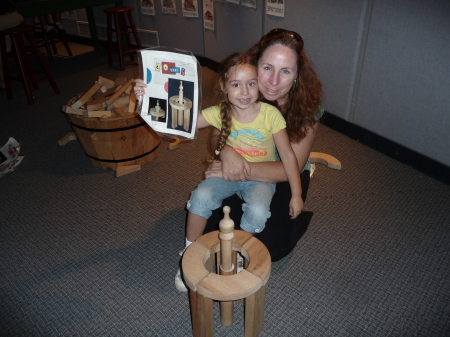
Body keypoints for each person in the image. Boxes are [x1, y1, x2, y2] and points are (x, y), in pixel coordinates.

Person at [202, 29, 323, 262]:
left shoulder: (308, 107)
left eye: (285, 71)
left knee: (269, 247)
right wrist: (225, 151)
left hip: (287, 172)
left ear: (297, 75)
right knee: (213, 229)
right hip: (244, 159)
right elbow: (216, 136)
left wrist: (238, 167)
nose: (274, 82)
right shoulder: (241, 87)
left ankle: (296, 224)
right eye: (267, 68)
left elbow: (290, 166)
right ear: (255, 63)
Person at [0, 0, 23, 89]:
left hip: (5, 17)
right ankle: (3, 82)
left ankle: (2, 82)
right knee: (3, 48)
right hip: (14, 16)